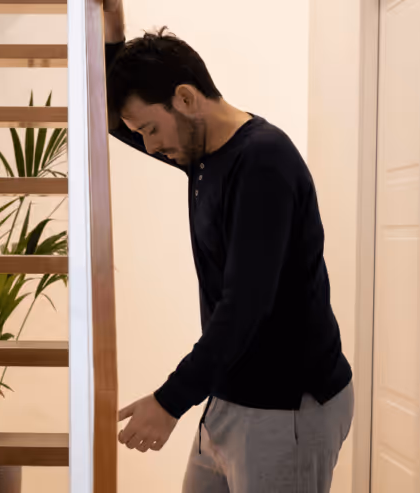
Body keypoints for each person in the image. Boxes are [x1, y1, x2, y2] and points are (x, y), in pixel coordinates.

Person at [101, 2, 354, 492]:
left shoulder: (262, 162)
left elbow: (245, 306)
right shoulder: (202, 154)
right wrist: (113, 26)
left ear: (185, 98)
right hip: (230, 398)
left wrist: (170, 400)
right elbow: (112, 119)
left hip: (287, 409)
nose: (148, 147)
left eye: (150, 129)